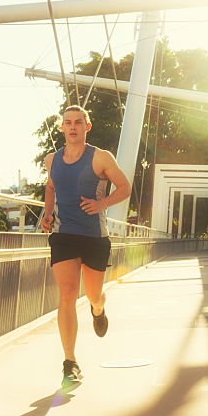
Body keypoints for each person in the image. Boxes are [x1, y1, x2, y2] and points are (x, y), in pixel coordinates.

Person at [41, 105, 131, 389]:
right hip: (64, 233)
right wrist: (47, 212)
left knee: (92, 294)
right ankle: (70, 362)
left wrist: (101, 204)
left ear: (86, 126)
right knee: (67, 294)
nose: (72, 127)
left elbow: (124, 187)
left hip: (94, 235)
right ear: (62, 127)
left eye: (78, 122)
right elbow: (52, 186)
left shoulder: (100, 157)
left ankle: (98, 308)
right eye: (67, 122)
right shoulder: (51, 159)